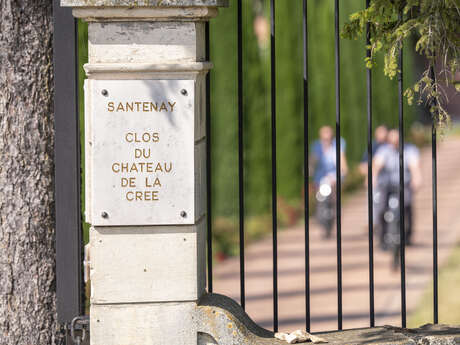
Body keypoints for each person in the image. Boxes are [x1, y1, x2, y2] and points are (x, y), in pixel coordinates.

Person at [372, 129, 422, 246]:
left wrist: (417, 178)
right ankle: (383, 237)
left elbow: (414, 166)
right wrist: (373, 178)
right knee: (381, 209)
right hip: (386, 184)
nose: (394, 142)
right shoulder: (384, 150)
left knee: (407, 205)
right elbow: (377, 165)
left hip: (403, 184)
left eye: (397, 140)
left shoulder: (410, 150)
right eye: (392, 140)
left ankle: (407, 236)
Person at [310, 126, 348, 238]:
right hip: (321, 178)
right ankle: (320, 221)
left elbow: (342, 164)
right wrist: (310, 167)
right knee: (319, 198)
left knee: (334, 198)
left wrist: (341, 174)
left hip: (334, 177)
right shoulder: (317, 146)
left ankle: (335, 216)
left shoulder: (337, 146)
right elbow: (313, 159)